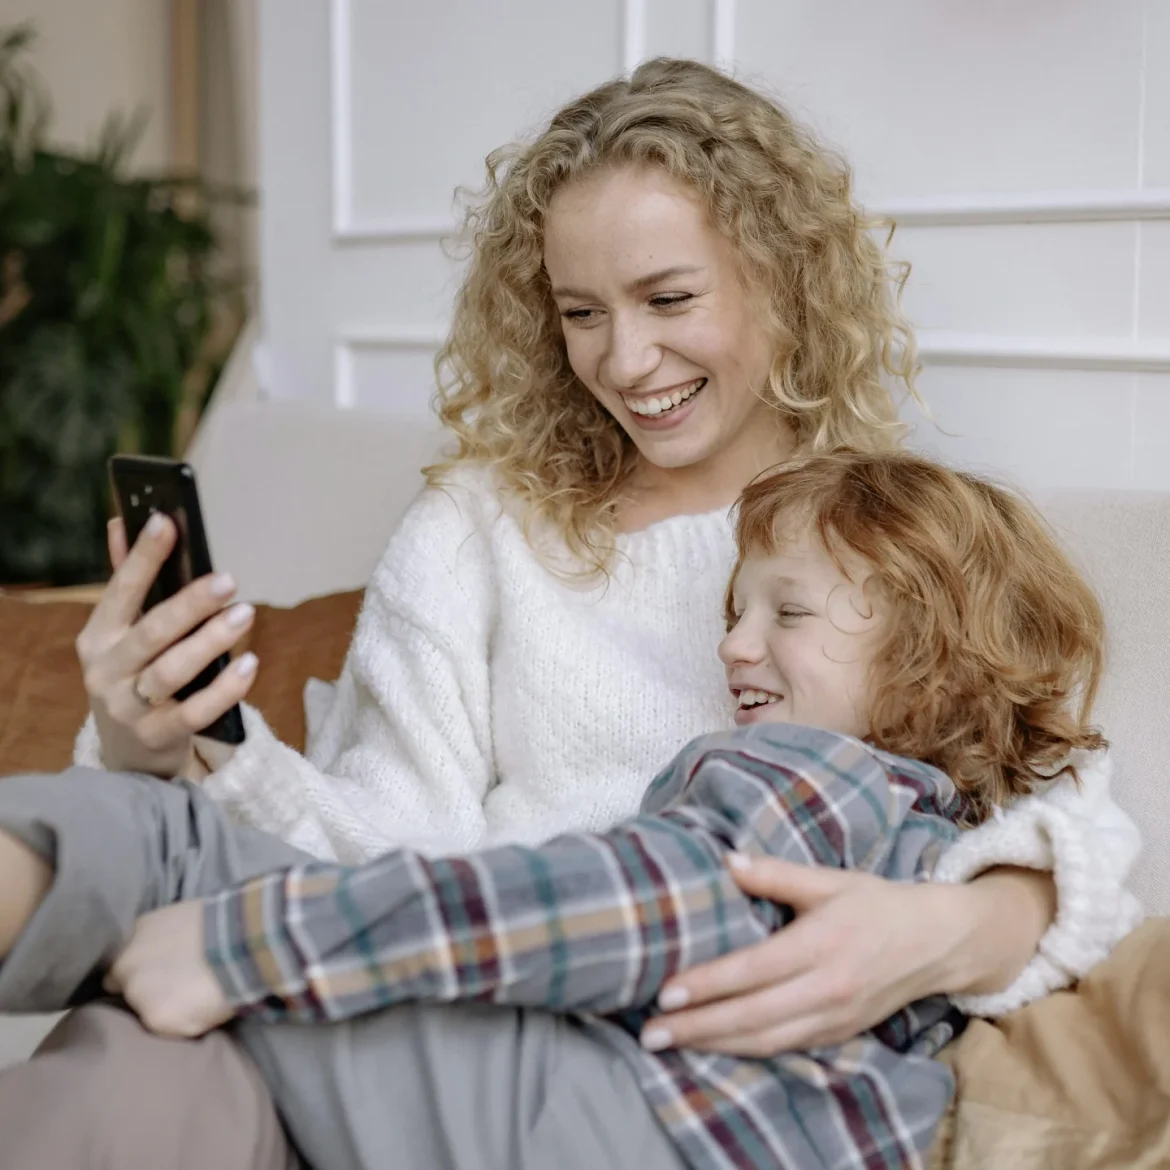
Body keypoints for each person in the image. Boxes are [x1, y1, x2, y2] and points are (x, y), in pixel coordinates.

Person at [0, 57, 1141, 1169]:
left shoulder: (873, 534)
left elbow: (1058, 799)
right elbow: (385, 839)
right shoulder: (480, 526)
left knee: (164, 942)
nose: (626, 358)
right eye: (581, 311)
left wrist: (951, 928)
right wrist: (189, 748)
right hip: (416, 993)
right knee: (136, 1051)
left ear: (785, 278)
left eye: (669, 298)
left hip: (614, 1075)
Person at [0, 450, 1129, 1170]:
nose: (733, 643)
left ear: (931, 666)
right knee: (145, 1036)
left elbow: (639, 905)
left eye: (787, 612)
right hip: (635, 1116)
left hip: (636, 1120)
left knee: (177, 849)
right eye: (736, 610)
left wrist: (257, 944)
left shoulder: (815, 773)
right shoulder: (917, 821)